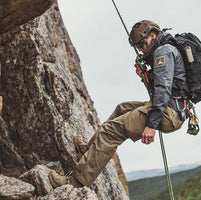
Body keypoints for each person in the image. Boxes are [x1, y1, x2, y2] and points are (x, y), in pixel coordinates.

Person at [48, 20, 188, 188]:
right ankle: (88, 152)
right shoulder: (165, 50)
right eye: (137, 46)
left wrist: (151, 124)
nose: (141, 49)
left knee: (111, 131)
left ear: (152, 35)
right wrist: (146, 76)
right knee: (122, 108)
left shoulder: (163, 52)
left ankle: (74, 182)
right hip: (170, 107)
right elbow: (166, 87)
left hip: (168, 112)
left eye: (141, 44)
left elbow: (163, 89)